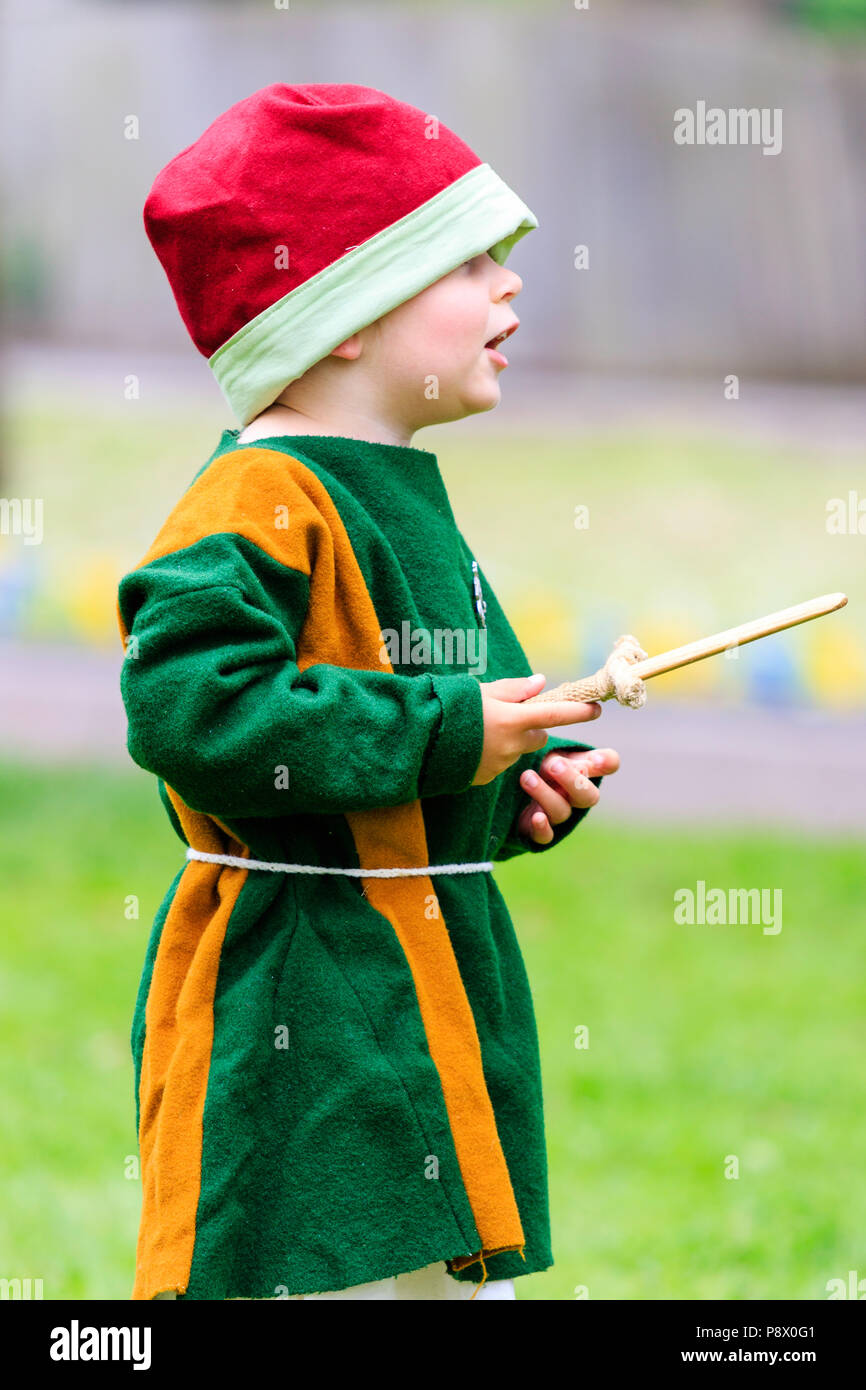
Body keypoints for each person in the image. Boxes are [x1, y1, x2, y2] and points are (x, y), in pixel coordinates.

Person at [118, 83, 621, 1302]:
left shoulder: (406, 490)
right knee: (309, 1258)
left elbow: (440, 740)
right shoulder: (253, 501)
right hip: (298, 973)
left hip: (431, 951)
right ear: (341, 314)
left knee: (452, 1263)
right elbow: (195, 711)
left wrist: (515, 787)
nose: (509, 288)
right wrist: (455, 734)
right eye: (469, 264)